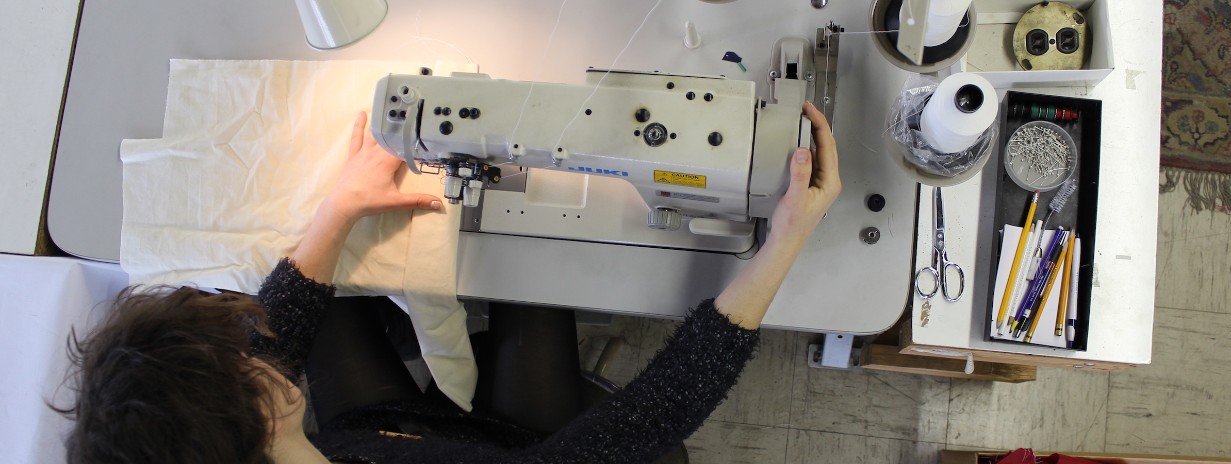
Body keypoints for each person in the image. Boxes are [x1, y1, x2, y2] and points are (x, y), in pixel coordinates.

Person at [56, 102, 841, 463]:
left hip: (368, 433)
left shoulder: (226, 436)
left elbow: (277, 330)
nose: (256, 341)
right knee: (539, 285)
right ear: (262, 412)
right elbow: (652, 415)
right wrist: (785, 241)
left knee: (325, 287)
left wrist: (342, 205)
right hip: (518, 452)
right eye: (245, 361)